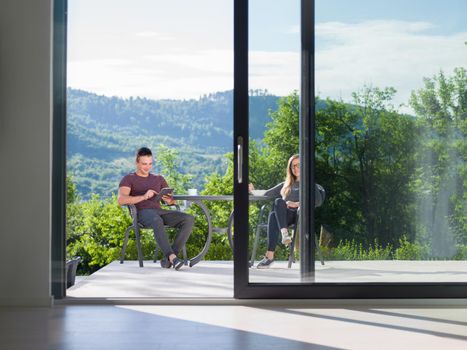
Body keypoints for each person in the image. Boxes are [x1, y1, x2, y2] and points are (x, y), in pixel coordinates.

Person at [118, 147, 195, 270]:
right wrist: (143, 196)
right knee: (156, 220)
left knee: (189, 219)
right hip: (141, 214)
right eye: (144, 164)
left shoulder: (158, 178)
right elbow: (121, 200)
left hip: (159, 212)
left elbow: (171, 201)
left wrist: (169, 200)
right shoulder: (129, 179)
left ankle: (169, 259)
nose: (147, 167)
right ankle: (172, 257)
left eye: (150, 164)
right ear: (137, 162)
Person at [250, 154, 325, 269]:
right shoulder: (286, 185)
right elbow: (267, 193)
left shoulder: (310, 183)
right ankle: (284, 236)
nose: (295, 168)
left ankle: (269, 257)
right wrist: (252, 191)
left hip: (300, 216)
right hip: (285, 218)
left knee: (273, 216)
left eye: (298, 165)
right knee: (278, 203)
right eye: (293, 166)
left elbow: (318, 202)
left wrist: (297, 204)